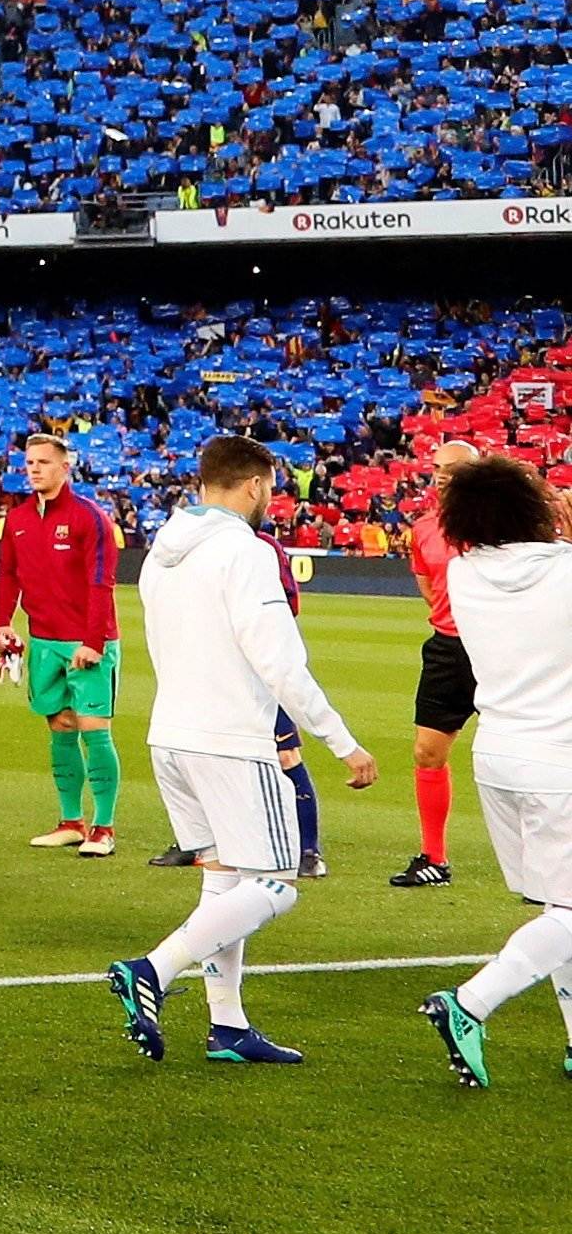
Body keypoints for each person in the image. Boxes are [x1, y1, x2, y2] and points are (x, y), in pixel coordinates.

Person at [106, 435, 370, 1067]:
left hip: (171, 736)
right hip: (231, 741)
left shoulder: (161, 552)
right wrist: (343, 742)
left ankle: (228, 1025)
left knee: (224, 884)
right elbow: (280, 660)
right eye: (271, 487)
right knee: (277, 884)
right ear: (254, 485)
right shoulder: (245, 552)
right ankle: (154, 969)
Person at [417, 455, 572, 1085]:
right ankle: (470, 1003)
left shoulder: (463, 573)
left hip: (499, 758)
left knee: (561, 909)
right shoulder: (564, 572)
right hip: (560, 759)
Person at [0, 430, 129, 856]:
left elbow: (101, 583)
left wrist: (93, 641)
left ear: (65, 467)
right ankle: (71, 821)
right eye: (30, 462)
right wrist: (2, 623)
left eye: (43, 462)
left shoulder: (91, 518)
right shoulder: (16, 519)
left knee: (95, 732)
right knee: (60, 728)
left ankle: (104, 828)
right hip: (43, 641)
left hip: (87, 645)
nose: (34, 469)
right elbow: (8, 576)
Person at [395, 460, 474, 890]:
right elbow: (427, 587)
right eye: (439, 468)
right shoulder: (424, 527)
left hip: (501, 646)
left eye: (454, 469)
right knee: (428, 752)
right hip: (447, 648)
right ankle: (434, 859)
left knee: (529, 756)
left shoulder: (507, 524)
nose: (442, 476)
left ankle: (552, 867)